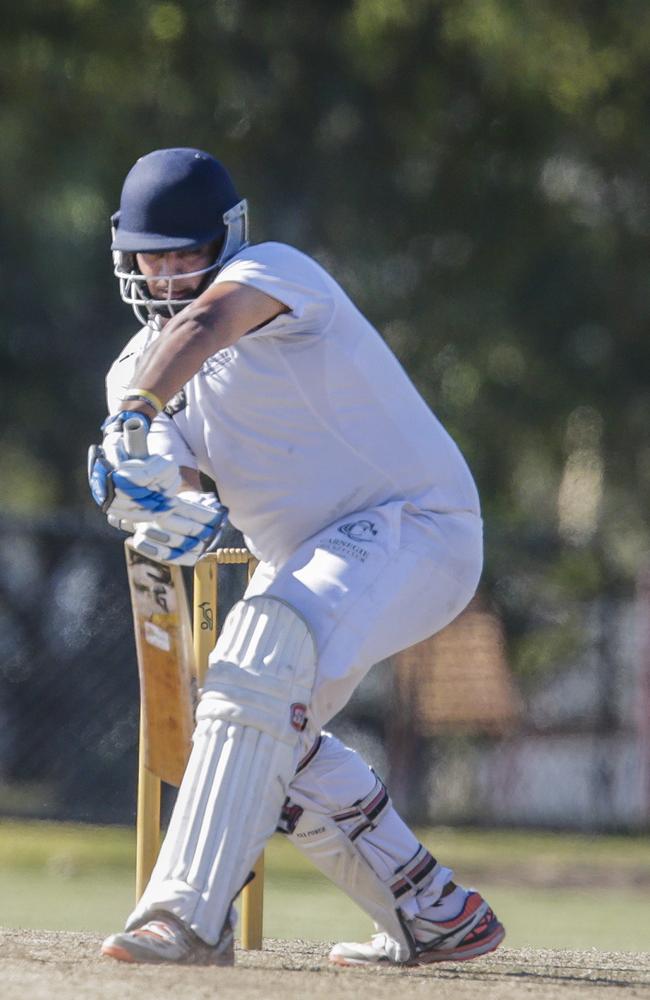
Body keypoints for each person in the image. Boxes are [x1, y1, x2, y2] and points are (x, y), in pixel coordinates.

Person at [88, 147, 505, 967]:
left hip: (420, 526)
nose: (170, 273)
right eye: (154, 254)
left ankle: (183, 919)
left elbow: (204, 326)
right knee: (251, 724)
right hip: (312, 563)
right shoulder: (133, 371)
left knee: (263, 649)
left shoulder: (278, 275)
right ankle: (431, 908)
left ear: (227, 241)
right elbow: (165, 474)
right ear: (124, 254)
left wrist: (138, 410)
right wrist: (146, 494)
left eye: (188, 253)